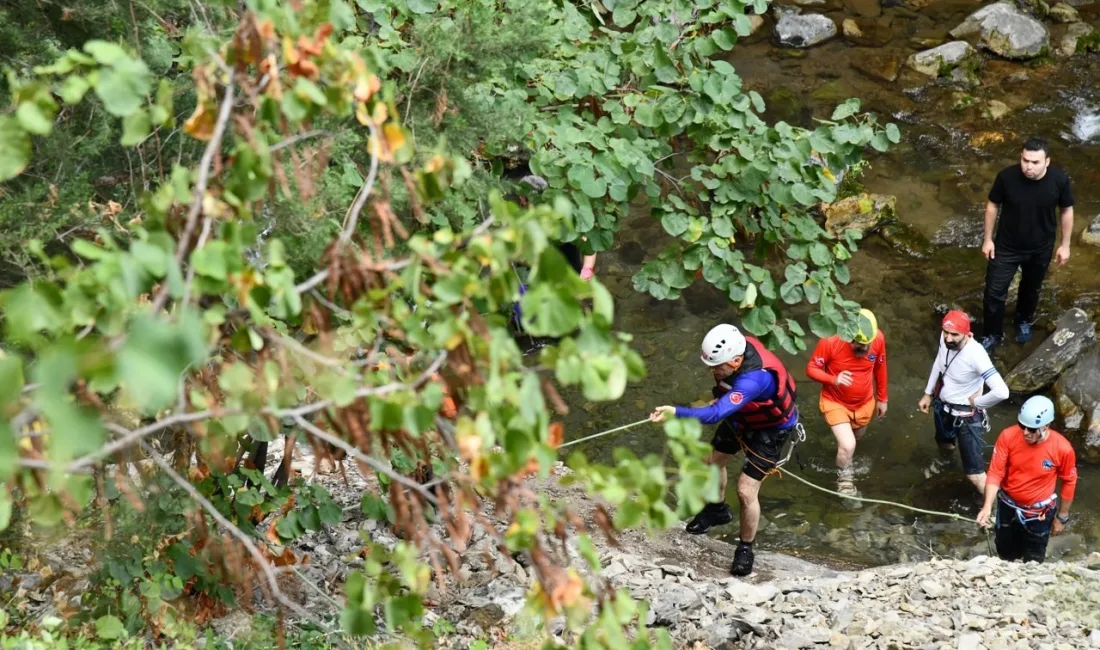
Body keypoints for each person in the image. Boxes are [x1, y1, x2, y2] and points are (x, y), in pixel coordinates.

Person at [649, 324, 800, 577]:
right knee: (712, 462)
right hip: (743, 416)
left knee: (745, 490)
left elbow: (715, 415)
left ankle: (745, 548)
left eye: (717, 367)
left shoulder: (755, 379)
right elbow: (724, 400)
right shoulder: (738, 350)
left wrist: (676, 412)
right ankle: (717, 510)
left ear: (737, 360)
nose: (713, 372)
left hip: (770, 429)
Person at [980, 137, 1074, 352]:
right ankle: (992, 334)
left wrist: (1065, 244)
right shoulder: (1006, 177)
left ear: (1047, 162)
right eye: (1025, 160)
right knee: (994, 292)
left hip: (1040, 247)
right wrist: (987, 239)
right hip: (1007, 246)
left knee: (1031, 289)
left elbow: (1067, 210)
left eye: (1035, 162)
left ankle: (1023, 320)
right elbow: (993, 204)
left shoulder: (1059, 181)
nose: (1028, 166)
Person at [976, 396, 1077, 563]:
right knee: (1005, 552)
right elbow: (995, 472)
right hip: (1008, 504)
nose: (1025, 433)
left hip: (1039, 513)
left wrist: (1061, 517)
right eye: (1022, 426)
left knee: (1034, 559)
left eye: (1031, 429)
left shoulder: (1063, 449)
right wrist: (987, 507)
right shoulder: (1008, 436)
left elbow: (1069, 481)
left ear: (1046, 426)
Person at [918, 310, 1009, 493]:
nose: (949, 339)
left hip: (966, 417)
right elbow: (939, 362)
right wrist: (928, 393)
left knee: (975, 475)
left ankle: (995, 511)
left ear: (967, 334)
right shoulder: (945, 340)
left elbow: (1002, 391)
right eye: (946, 332)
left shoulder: (976, 355)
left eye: (954, 335)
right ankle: (946, 463)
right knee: (944, 444)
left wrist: (979, 403)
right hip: (943, 408)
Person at [805, 309, 888, 499]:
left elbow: (881, 367)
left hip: (864, 402)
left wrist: (883, 398)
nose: (866, 348)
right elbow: (811, 368)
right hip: (835, 401)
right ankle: (845, 483)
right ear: (850, 337)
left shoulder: (878, 338)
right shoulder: (830, 341)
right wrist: (833, 379)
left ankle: (842, 447)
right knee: (849, 445)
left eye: (868, 344)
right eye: (860, 344)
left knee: (856, 438)